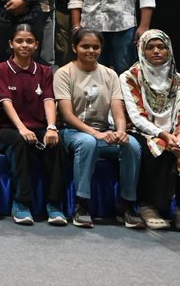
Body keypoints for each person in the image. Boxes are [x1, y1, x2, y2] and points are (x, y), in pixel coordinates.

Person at [54, 29, 143, 229]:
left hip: (103, 132)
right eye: (85, 46)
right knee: (88, 142)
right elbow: (67, 115)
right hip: (72, 133)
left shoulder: (110, 74)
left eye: (96, 47)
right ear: (74, 47)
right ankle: (82, 204)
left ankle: (127, 205)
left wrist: (120, 131)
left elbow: (118, 110)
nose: (91, 50)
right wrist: (96, 133)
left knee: (132, 145)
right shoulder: (63, 73)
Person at [120, 30, 180, 232]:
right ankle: (149, 206)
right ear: (142, 50)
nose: (156, 51)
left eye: (161, 47)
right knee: (157, 147)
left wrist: (179, 137)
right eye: (150, 47)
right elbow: (136, 115)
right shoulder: (130, 77)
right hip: (141, 131)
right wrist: (163, 135)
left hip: (173, 134)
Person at [0, 24, 67, 226]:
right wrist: (22, 128)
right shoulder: (0, 69)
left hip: (39, 125)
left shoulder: (44, 71)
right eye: (19, 41)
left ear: (36, 45)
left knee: (57, 143)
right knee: (20, 142)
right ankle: (21, 203)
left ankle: (54, 205)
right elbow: (5, 101)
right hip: (8, 128)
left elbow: (49, 100)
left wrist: (52, 126)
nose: (24, 45)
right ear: (11, 44)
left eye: (29, 41)